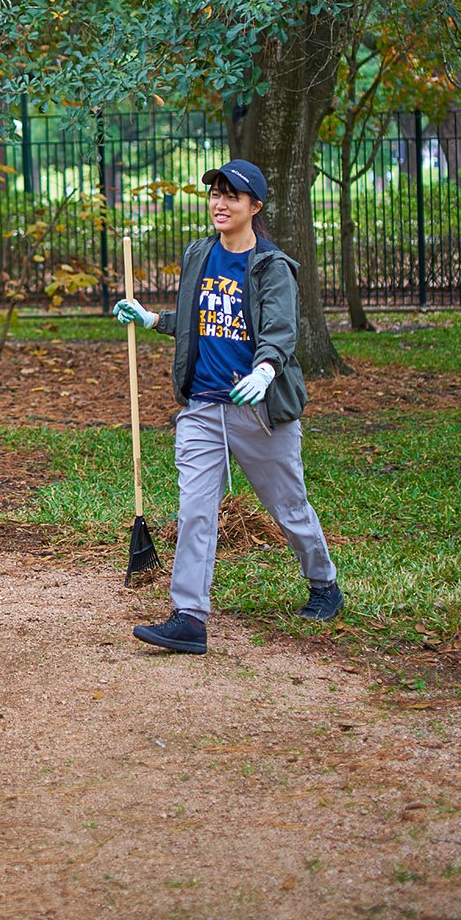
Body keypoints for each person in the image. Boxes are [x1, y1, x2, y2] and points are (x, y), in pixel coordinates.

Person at [111, 159, 343, 654]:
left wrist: (264, 372)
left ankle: (323, 584)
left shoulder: (272, 266)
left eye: (231, 196)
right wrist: (153, 318)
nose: (219, 203)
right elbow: (201, 321)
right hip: (202, 408)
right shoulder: (199, 254)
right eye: (215, 194)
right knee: (195, 510)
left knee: (288, 507)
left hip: (258, 413)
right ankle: (189, 617)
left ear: (254, 207)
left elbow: (280, 331)